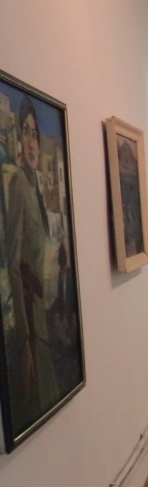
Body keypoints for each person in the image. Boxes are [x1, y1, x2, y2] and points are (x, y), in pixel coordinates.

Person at [3, 96, 61, 432]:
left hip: (42, 313)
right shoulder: (17, 185)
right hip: (31, 320)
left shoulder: (35, 186)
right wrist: (25, 338)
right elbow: (13, 264)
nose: (31, 141)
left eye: (35, 133)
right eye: (25, 132)